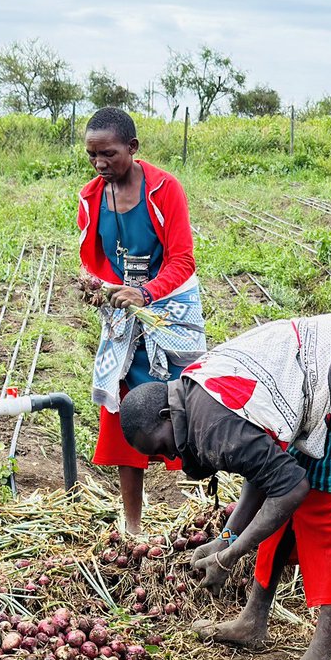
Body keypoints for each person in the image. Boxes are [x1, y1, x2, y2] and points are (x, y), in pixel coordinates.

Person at [119, 314, 331, 660]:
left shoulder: (212, 424)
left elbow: (290, 489)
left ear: (167, 415)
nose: (172, 459)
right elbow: (262, 473)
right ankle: (253, 621)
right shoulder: (192, 395)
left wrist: (229, 557)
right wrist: (227, 538)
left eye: (163, 447)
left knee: (329, 508)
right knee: (285, 501)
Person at [77, 106, 206, 535]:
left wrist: (147, 292)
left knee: (188, 409)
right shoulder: (91, 196)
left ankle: (207, 512)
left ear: (132, 148)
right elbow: (91, 260)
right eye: (92, 155)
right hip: (122, 316)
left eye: (109, 154)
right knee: (122, 414)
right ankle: (133, 525)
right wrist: (94, 283)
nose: (100, 164)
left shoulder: (165, 189)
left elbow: (183, 259)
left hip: (169, 312)